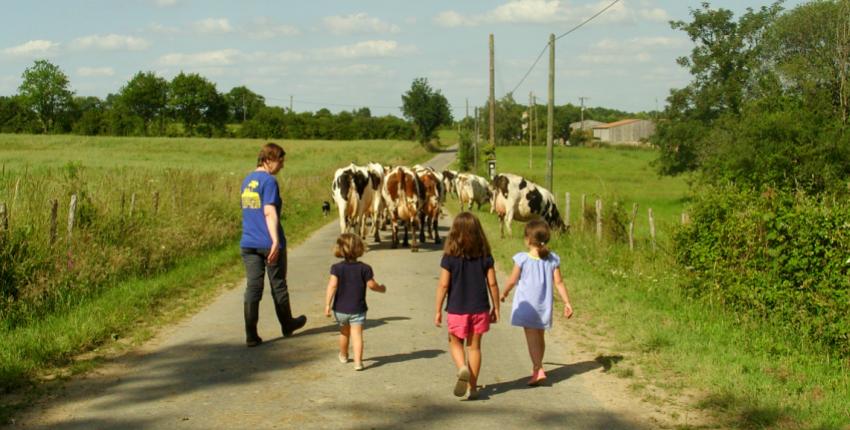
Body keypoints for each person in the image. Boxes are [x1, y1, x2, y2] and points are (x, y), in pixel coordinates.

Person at [239, 143, 307, 347]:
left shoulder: (247, 180)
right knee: (278, 284)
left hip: (248, 243)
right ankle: (287, 325)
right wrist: (275, 240)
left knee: (253, 285)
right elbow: (269, 211)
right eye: (280, 161)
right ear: (269, 159)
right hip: (267, 242)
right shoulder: (269, 181)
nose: (282, 166)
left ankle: (251, 335)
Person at [434, 212, 500, 400]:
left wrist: (438, 309)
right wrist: (496, 308)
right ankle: (473, 387)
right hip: (480, 308)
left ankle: (462, 368)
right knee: (474, 348)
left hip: (456, 310)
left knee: (455, 343)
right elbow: (493, 284)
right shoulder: (486, 257)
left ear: (454, 233)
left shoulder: (449, 258)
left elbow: (444, 285)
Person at [500, 220, 573, 385]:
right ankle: (538, 366)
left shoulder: (522, 259)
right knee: (540, 337)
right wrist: (567, 302)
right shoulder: (552, 259)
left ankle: (538, 367)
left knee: (531, 338)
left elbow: (512, 280)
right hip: (544, 307)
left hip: (528, 307)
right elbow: (559, 282)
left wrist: (504, 293)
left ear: (527, 240)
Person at [325, 233, 386, 371]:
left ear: (339, 249)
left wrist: (328, 304)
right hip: (357, 308)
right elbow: (372, 285)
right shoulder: (365, 268)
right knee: (357, 335)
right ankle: (358, 362)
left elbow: (332, 286)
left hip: (340, 309)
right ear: (360, 248)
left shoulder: (336, 268)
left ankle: (344, 355)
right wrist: (381, 288)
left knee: (344, 333)